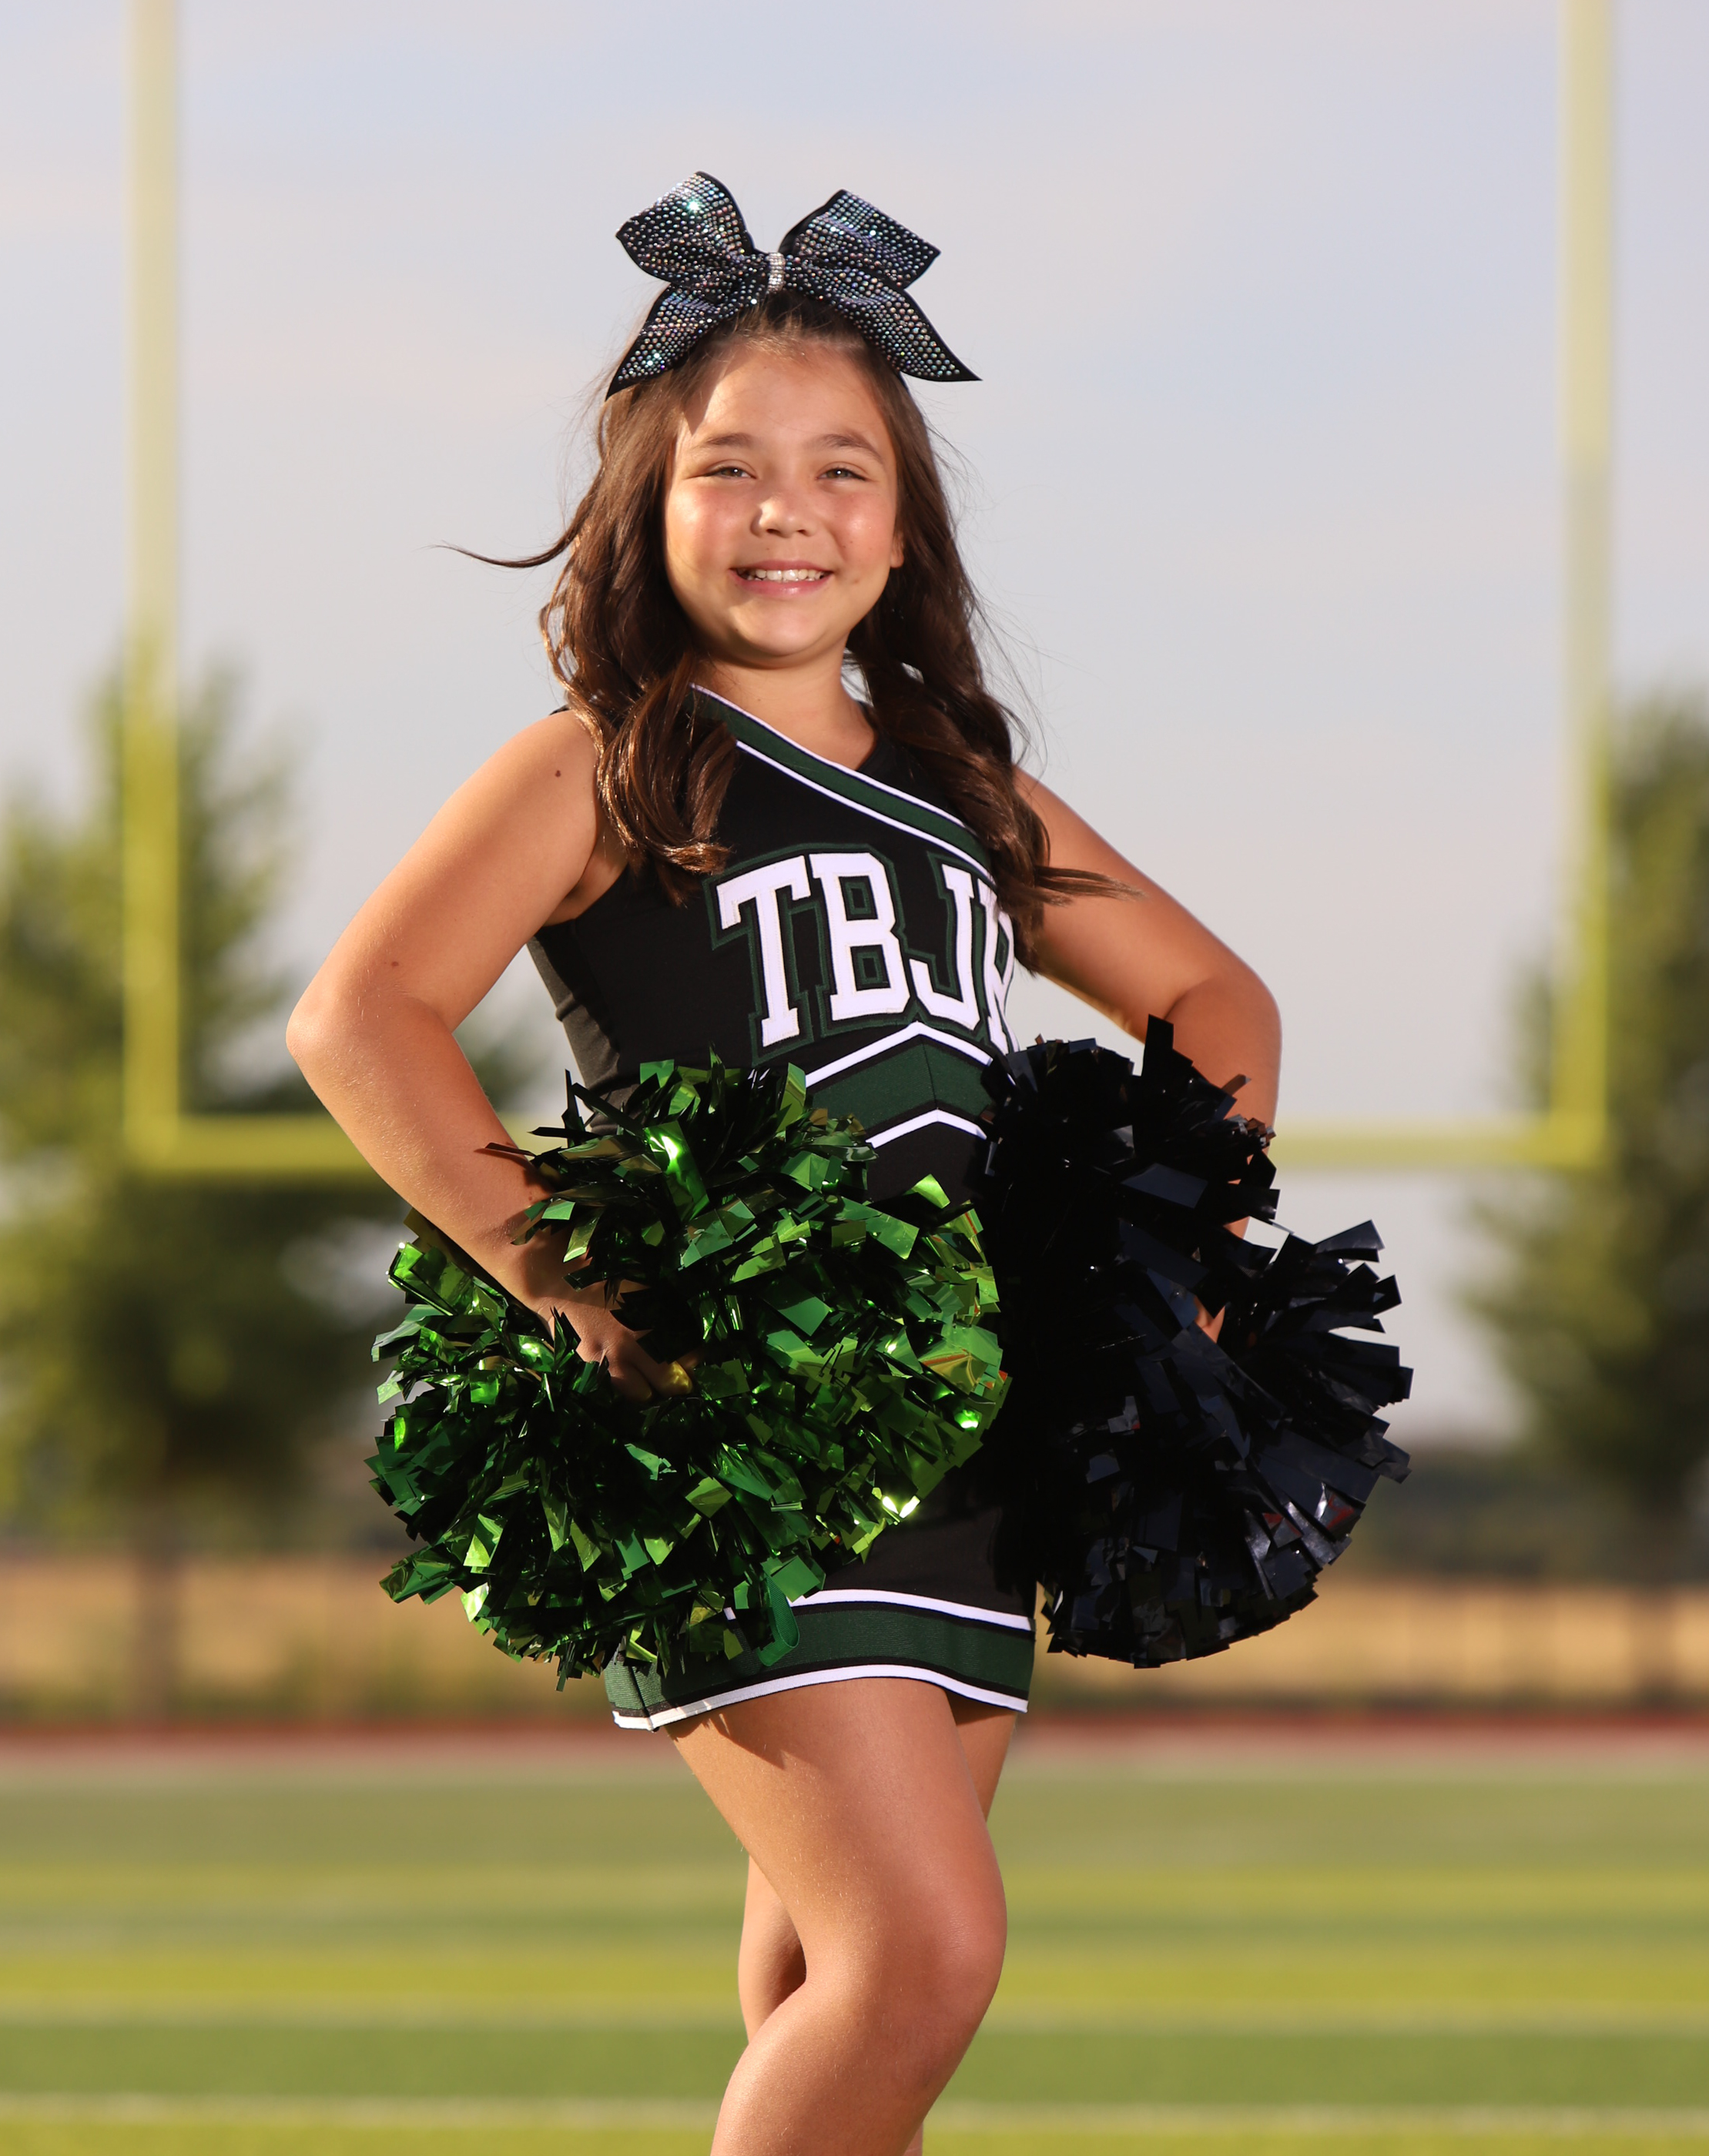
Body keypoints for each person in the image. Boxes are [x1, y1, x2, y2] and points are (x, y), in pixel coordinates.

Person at [289, 176, 1279, 2156]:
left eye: (841, 471)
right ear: (646, 510)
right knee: (922, 1956)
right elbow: (361, 1016)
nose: (784, 512)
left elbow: (1211, 995)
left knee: (834, 1981)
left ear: (901, 528)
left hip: (969, 1427)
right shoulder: (598, 757)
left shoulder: (962, 786)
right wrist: (565, 1278)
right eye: (728, 469)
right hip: (738, 1428)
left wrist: (1170, 1254)